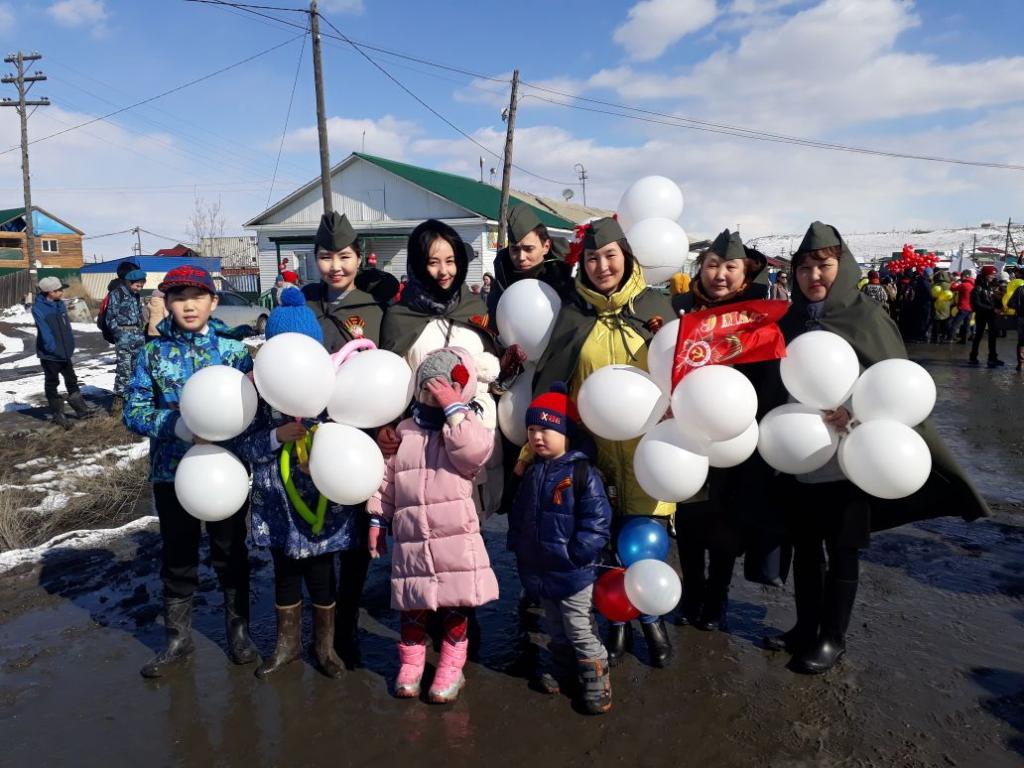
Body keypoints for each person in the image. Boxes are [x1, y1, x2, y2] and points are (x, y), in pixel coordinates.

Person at [758, 222, 989, 674]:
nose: (813, 276)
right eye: (804, 268)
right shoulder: (789, 319)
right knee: (805, 548)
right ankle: (806, 627)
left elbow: (892, 387)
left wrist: (856, 415)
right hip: (802, 456)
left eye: (822, 265)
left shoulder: (865, 317)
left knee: (842, 549)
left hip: (852, 459)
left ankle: (832, 638)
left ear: (841, 267)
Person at [530, 217, 676, 668]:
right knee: (602, 541)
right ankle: (615, 620)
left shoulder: (656, 306)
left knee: (647, 539)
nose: (601, 266)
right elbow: (554, 380)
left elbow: (684, 373)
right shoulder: (573, 314)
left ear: (626, 257)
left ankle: (651, 616)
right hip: (593, 454)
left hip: (648, 452)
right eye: (592, 258)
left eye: (610, 255)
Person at [123, 265, 257, 678]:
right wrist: (178, 426)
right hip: (172, 472)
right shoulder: (152, 354)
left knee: (230, 551)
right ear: (168, 303)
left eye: (197, 296)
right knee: (178, 555)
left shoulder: (233, 354)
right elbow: (134, 411)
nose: (188, 305)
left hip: (226, 472)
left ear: (213, 301)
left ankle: (238, 631)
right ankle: (177, 639)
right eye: (179, 297)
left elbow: (253, 411)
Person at [233, 288, 355, 679]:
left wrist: (322, 448)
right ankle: (286, 647)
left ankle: (325, 647)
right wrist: (275, 437)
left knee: (323, 575)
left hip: (321, 501)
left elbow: (348, 434)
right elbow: (244, 443)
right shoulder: (255, 389)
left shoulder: (331, 387)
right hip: (277, 503)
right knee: (284, 575)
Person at [367, 347, 499, 704]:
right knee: (413, 604)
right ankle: (410, 665)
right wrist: (378, 518)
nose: (431, 398)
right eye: (426, 390)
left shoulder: (465, 427)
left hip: (453, 536)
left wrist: (454, 408)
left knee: (455, 605)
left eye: (439, 391)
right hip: (411, 539)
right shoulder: (404, 430)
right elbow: (387, 479)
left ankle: (451, 668)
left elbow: (473, 453)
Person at [300, 211, 392, 667]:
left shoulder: (377, 309)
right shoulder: (301, 304)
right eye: (325, 256)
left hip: (361, 441)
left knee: (357, 540)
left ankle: (349, 627)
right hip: (311, 436)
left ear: (359, 258)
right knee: (315, 533)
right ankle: (322, 630)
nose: (335, 265)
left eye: (344, 256)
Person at [670, 229, 771, 631]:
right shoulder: (680, 310)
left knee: (725, 524)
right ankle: (692, 593)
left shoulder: (757, 319)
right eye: (712, 265)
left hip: (735, 437)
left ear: (745, 276)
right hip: (688, 433)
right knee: (690, 519)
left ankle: (717, 597)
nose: (720, 275)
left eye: (730, 267)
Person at [379, 219, 503, 516]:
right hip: (425, 442)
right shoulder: (399, 316)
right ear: (418, 264)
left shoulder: (475, 308)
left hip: (475, 434)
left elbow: (491, 368)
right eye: (433, 262)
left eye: (450, 261)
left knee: (473, 524)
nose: (444, 271)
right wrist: (386, 423)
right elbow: (389, 381)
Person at [508, 382, 613, 714]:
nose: (538, 436)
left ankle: (597, 677)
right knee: (555, 625)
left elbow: (597, 522)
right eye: (532, 429)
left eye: (547, 429)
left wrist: (577, 554)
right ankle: (564, 668)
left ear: (567, 433)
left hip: (573, 570)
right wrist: (518, 545)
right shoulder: (533, 471)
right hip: (540, 567)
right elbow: (521, 513)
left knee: (578, 625)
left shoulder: (583, 473)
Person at [486, 204, 574, 327]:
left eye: (529, 249)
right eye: (515, 250)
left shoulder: (565, 278)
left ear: (546, 247)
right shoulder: (502, 280)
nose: (521, 258)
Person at [31, 276, 95, 428]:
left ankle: (81, 410)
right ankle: (57, 414)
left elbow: (67, 327)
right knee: (52, 382)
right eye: (58, 290)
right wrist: (52, 349)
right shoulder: (39, 308)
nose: (61, 292)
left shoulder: (60, 305)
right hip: (50, 354)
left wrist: (70, 344)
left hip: (65, 352)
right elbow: (44, 331)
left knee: (72, 380)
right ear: (49, 292)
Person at [108, 268, 147, 417]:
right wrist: (119, 334)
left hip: (137, 335)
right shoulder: (116, 294)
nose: (139, 289)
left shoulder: (136, 296)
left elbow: (138, 315)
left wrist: (141, 330)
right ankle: (118, 403)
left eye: (141, 286)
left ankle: (134, 401)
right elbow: (110, 317)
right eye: (137, 285)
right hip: (124, 336)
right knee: (124, 370)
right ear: (129, 282)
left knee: (138, 369)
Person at [969, 265, 1004, 367]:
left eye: (994, 274)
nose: (993, 276)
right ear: (985, 275)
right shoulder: (978, 288)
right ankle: (973, 357)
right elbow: (976, 304)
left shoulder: (990, 287)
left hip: (991, 315)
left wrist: (999, 300)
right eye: (991, 274)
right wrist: (992, 309)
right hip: (982, 315)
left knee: (992, 336)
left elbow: (992, 301)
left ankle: (992, 358)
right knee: (978, 336)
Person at [949, 269, 974, 344]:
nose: (961, 277)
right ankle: (964, 340)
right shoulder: (973, 284)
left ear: (966, 276)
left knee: (955, 323)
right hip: (971, 307)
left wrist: (954, 282)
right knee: (967, 324)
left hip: (963, 307)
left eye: (962, 276)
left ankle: (951, 338)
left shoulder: (964, 285)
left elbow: (953, 288)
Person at [1009, 278, 1024, 371]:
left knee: (1022, 341)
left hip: (1021, 317)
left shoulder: (1020, 289)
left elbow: (1011, 303)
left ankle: (1021, 364)